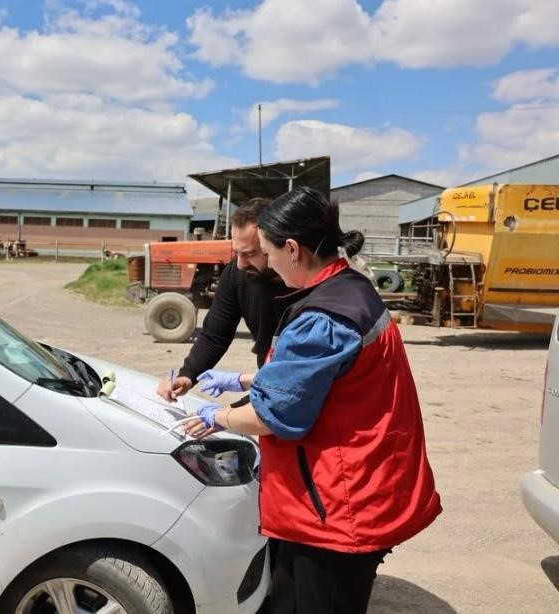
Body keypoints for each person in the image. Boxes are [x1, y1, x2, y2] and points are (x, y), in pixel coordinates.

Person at [181, 187, 442, 614]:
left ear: (292, 249)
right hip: (342, 493)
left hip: (338, 505)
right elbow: (325, 378)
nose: (264, 265)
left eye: (265, 253)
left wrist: (219, 416)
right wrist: (245, 377)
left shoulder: (323, 317)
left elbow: (276, 415)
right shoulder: (348, 288)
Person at [156, 197, 289, 402]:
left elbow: (297, 380)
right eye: (237, 253)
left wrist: (227, 415)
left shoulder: (305, 288)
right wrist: (187, 375)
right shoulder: (236, 273)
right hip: (270, 382)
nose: (241, 264)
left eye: (251, 253)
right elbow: (215, 334)